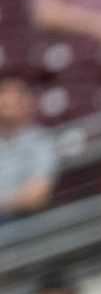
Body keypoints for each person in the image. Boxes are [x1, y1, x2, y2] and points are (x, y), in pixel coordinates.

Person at [0, 79, 58, 216]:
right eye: (4, 105)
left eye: (12, 105)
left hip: (21, 218)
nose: (7, 111)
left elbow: (36, 195)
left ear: (25, 105)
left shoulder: (41, 141)